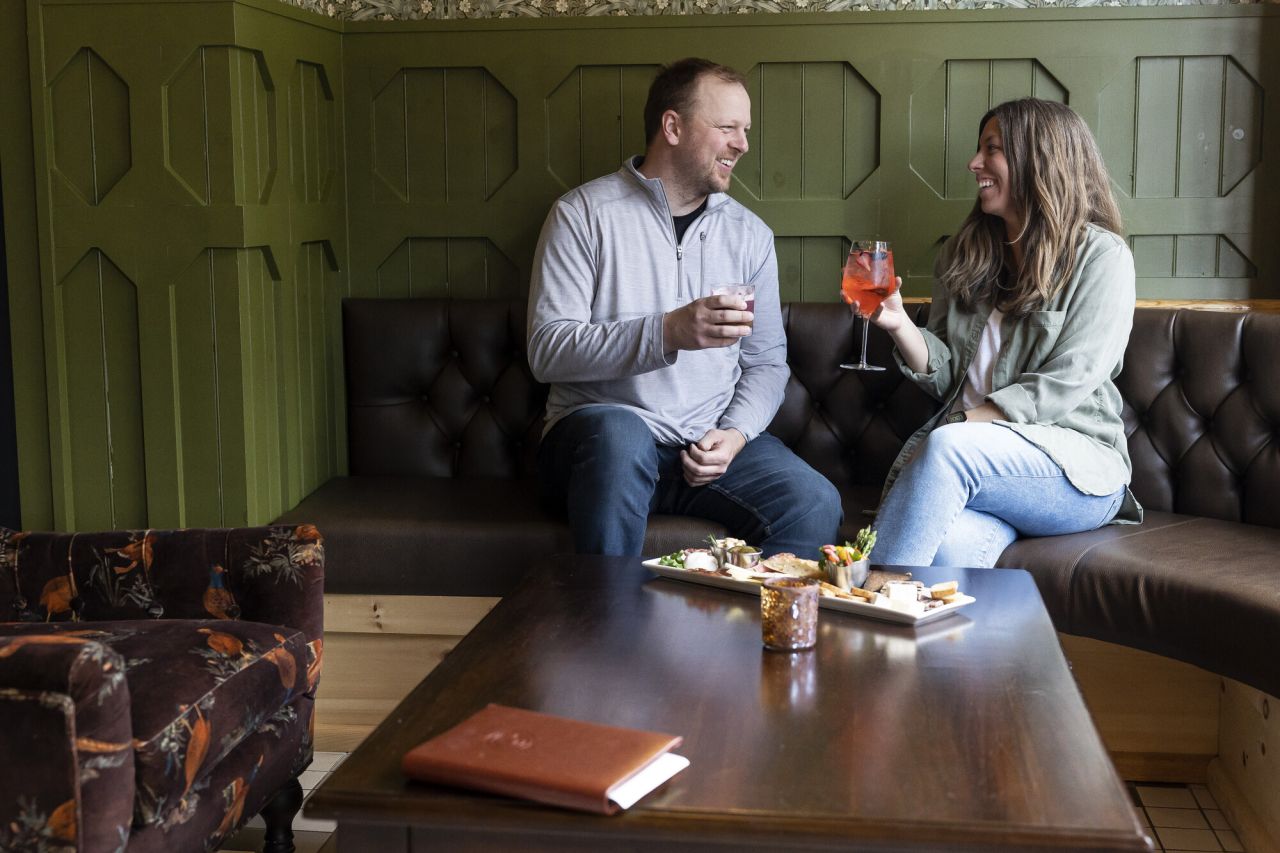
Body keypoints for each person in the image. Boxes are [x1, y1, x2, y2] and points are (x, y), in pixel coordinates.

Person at [527, 57, 842, 557]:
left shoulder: (750, 236)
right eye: (727, 128)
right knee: (620, 434)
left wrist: (734, 435)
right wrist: (668, 332)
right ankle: (609, 631)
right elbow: (548, 350)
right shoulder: (582, 215)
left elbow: (765, 363)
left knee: (813, 501)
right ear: (672, 126)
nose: (742, 143)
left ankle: (744, 635)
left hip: (702, 448)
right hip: (598, 448)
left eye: (745, 129)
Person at [863, 98, 1141, 568]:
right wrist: (898, 324)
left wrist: (966, 424)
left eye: (992, 150)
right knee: (946, 553)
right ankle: (937, 640)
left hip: (1075, 471)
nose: (974, 164)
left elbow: (1072, 376)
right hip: (984, 470)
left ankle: (864, 610)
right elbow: (945, 373)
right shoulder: (962, 254)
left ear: (1039, 159)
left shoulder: (1102, 257)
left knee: (949, 446)